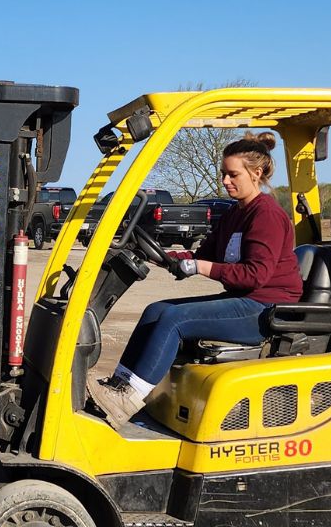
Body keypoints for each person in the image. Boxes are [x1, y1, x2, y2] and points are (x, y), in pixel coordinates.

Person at [89, 132, 303, 429]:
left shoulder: (265, 214)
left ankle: (130, 397)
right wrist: (162, 256)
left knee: (175, 320)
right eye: (223, 174)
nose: (225, 181)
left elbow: (255, 275)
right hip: (246, 299)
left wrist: (199, 267)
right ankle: (118, 386)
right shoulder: (233, 214)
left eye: (233, 175)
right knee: (157, 310)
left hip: (266, 307)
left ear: (256, 173)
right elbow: (203, 254)